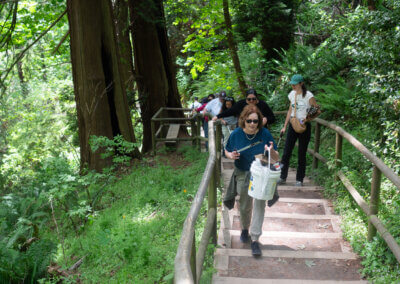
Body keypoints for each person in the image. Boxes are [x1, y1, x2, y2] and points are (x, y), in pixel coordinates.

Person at [224, 105, 279, 257]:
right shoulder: (236, 134)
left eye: (256, 121)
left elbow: (275, 157)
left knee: (259, 205)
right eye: (249, 121)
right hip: (242, 172)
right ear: (243, 120)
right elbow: (226, 150)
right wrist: (230, 156)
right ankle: (244, 228)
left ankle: (255, 239)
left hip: (262, 174)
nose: (253, 124)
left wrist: (272, 151)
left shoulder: (265, 133)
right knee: (244, 203)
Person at [278, 74, 320, 186]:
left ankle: (299, 179)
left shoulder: (308, 96)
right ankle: (282, 177)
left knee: (302, 153)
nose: (293, 86)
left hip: (304, 126)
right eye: (292, 84)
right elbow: (289, 110)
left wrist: (307, 119)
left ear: (301, 83)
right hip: (293, 124)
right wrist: (285, 126)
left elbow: (317, 110)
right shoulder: (292, 94)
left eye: (295, 84)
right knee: (286, 152)